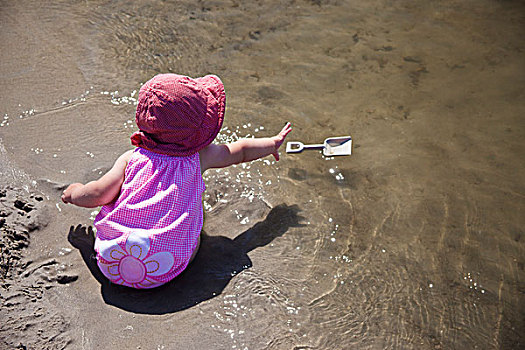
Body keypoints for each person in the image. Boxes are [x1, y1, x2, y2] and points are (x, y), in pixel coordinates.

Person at [61, 73, 292, 289]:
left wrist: (74, 193)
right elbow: (239, 151)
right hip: (166, 267)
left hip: (111, 262)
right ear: (198, 132)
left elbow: (97, 194)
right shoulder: (199, 157)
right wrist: (272, 143)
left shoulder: (131, 159)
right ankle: (183, 246)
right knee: (194, 222)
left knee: (123, 203)